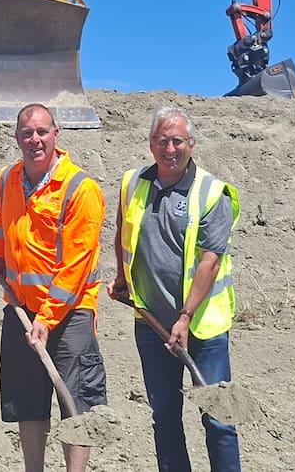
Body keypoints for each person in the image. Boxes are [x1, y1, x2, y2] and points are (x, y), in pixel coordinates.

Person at [110, 106, 241, 472]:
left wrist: (185, 317)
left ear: (192, 144)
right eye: (162, 140)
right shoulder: (133, 183)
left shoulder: (213, 192)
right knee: (165, 418)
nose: (170, 148)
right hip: (152, 324)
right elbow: (122, 233)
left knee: (218, 419)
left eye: (178, 140)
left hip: (203, 329)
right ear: (151, 144)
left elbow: (209, 261)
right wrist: (122, 278)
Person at [0, 103, 107, 472]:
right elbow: (0, 222)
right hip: (22, 309)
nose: (34, 140)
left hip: (70, 315)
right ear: (17, 137)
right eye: (27, 133)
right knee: (29, 403)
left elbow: (77, 264)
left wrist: (49, 318)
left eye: (41, 132)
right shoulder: (7, 178)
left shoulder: (79, 188)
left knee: (75, 404)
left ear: (57, 134)